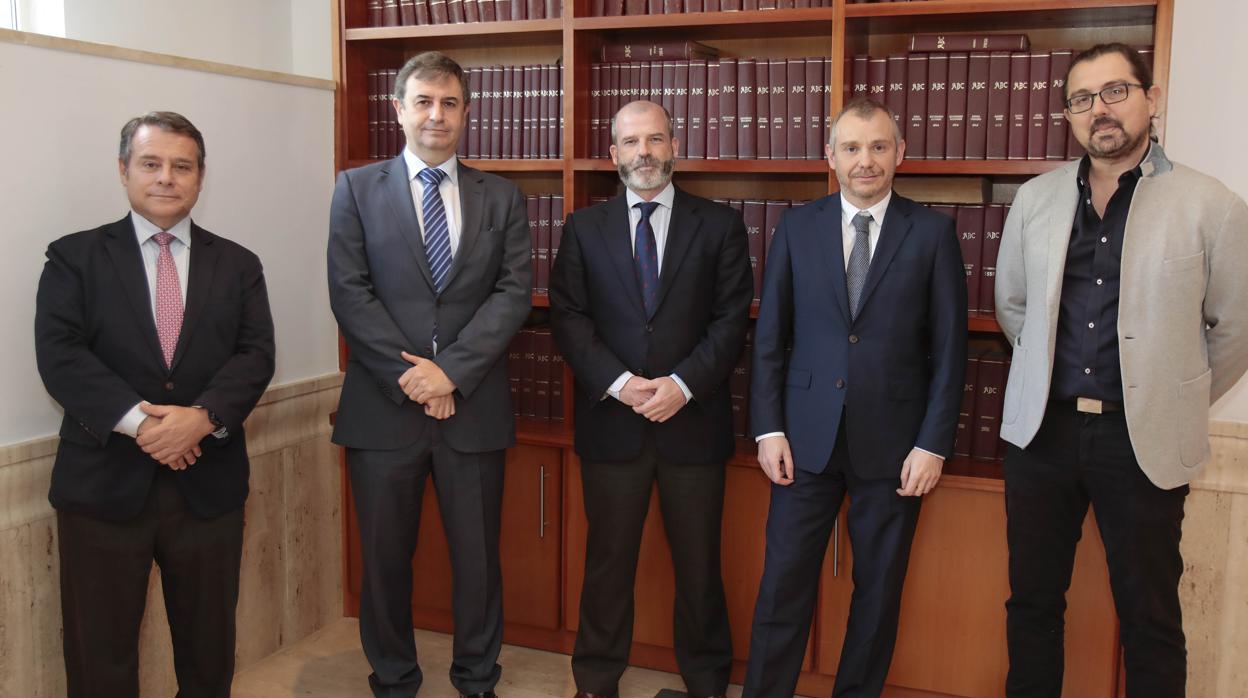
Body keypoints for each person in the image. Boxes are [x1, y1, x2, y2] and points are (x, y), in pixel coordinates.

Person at [994, 43, 1248, 697]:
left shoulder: (1210, 204)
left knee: (1151, 622)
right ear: (1069, 115)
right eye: (1081, 98)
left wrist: (1169, 393)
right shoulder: (1036, 199)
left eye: (1115, 91)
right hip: (1042, 437)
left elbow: (1235, 330)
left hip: (1143, 443)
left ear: (1150, 99)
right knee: (1032, 607)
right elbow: (1014, 306)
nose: (1098, 110)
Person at [34, 111, 275, 698]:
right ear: (124, 171)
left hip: (208, 489)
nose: (166, 177)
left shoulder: (238, 264)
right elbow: (60, 356)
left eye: (181, 166)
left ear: (199, 176)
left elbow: (255, 355)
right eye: (151, 163)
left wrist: (203, 418)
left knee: (208, 651)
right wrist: (145, 425)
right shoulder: (74, 258)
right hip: (102, 488)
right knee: (100, 658)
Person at [744, 97, 967, 697]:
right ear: (830, 157)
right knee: (782, 586)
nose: (864, 160)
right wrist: (768, 429)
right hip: (803, 444)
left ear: (901, 153)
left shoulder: (934, 233)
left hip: (895, 450)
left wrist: (932, 445)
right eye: (851, 148)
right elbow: (771, 338)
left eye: (877, 146)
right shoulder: (797, 227)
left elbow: (949, 352)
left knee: (878, 592)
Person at [327, 50, 531, 698]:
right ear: (399, 110)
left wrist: (452, 376)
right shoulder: (355, 189)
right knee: (384, 565)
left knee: (478, 564)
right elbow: (350, 293)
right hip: (383, 414)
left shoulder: (502, 196)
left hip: (473, 410)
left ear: (466, 112)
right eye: (423, 101)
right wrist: (416, 379)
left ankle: (477, 681)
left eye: (449, 102)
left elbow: (513, 293)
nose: (436, 114)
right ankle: (393, 680)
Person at [549, 100, 753, 698]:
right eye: (632, 141)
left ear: (673, 147)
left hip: (693, 426)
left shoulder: (719, 225)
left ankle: (708, 684)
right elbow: (568, 317)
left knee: (699, 570)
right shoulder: (583, 229)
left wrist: (681, 386)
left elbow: (731, 320)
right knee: (607, 567)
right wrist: (621, 384)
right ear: (613, 154)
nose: (645, 152)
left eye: (656, 139)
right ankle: (594, 683)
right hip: (613, 426)